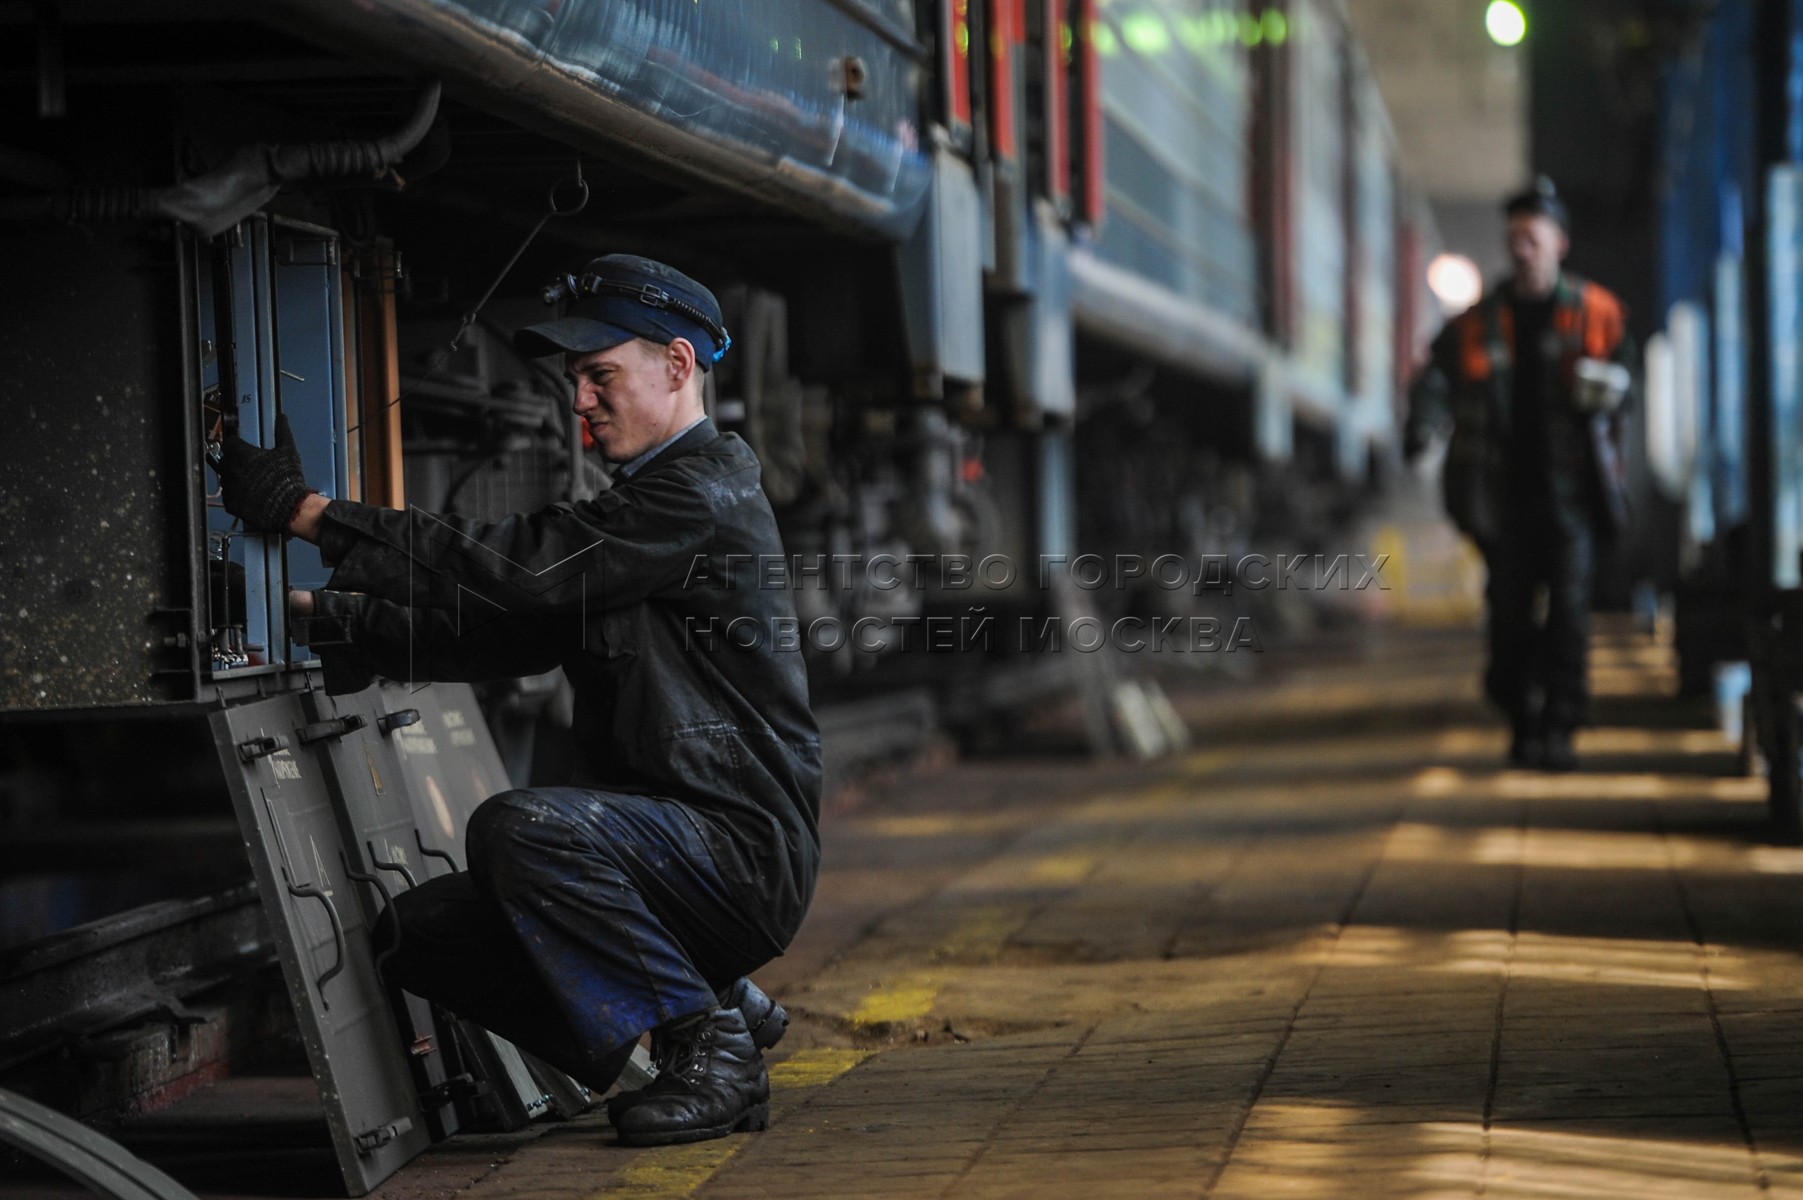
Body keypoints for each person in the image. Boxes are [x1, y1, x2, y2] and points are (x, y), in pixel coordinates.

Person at [214, 254, 821, 1147]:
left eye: (599, 374)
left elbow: (531, 571)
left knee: (520, 829)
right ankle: (704, 1002)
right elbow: (501, 633)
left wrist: (314, 516)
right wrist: (313, 616)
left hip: (733, 847)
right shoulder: (652, 505)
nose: (580, 400)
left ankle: (709, 1043)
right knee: (421, 934)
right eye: (575, 379)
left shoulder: (699, 490)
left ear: (678, 365)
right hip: (667, 848)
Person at [1404, 178, 1635, 771]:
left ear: (1560, 242)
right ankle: (1521, 714)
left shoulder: (1598, 313)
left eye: (1531, 238)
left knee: (1569, 621)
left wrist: (1610, 395)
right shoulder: (1477, 324)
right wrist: (1421, 423)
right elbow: (1435, 377)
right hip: (1501, 504)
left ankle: (1558, 726)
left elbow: (1626, 375)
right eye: (1514, 239)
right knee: (1508, 625)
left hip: (1572, 501)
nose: (1521, 249)